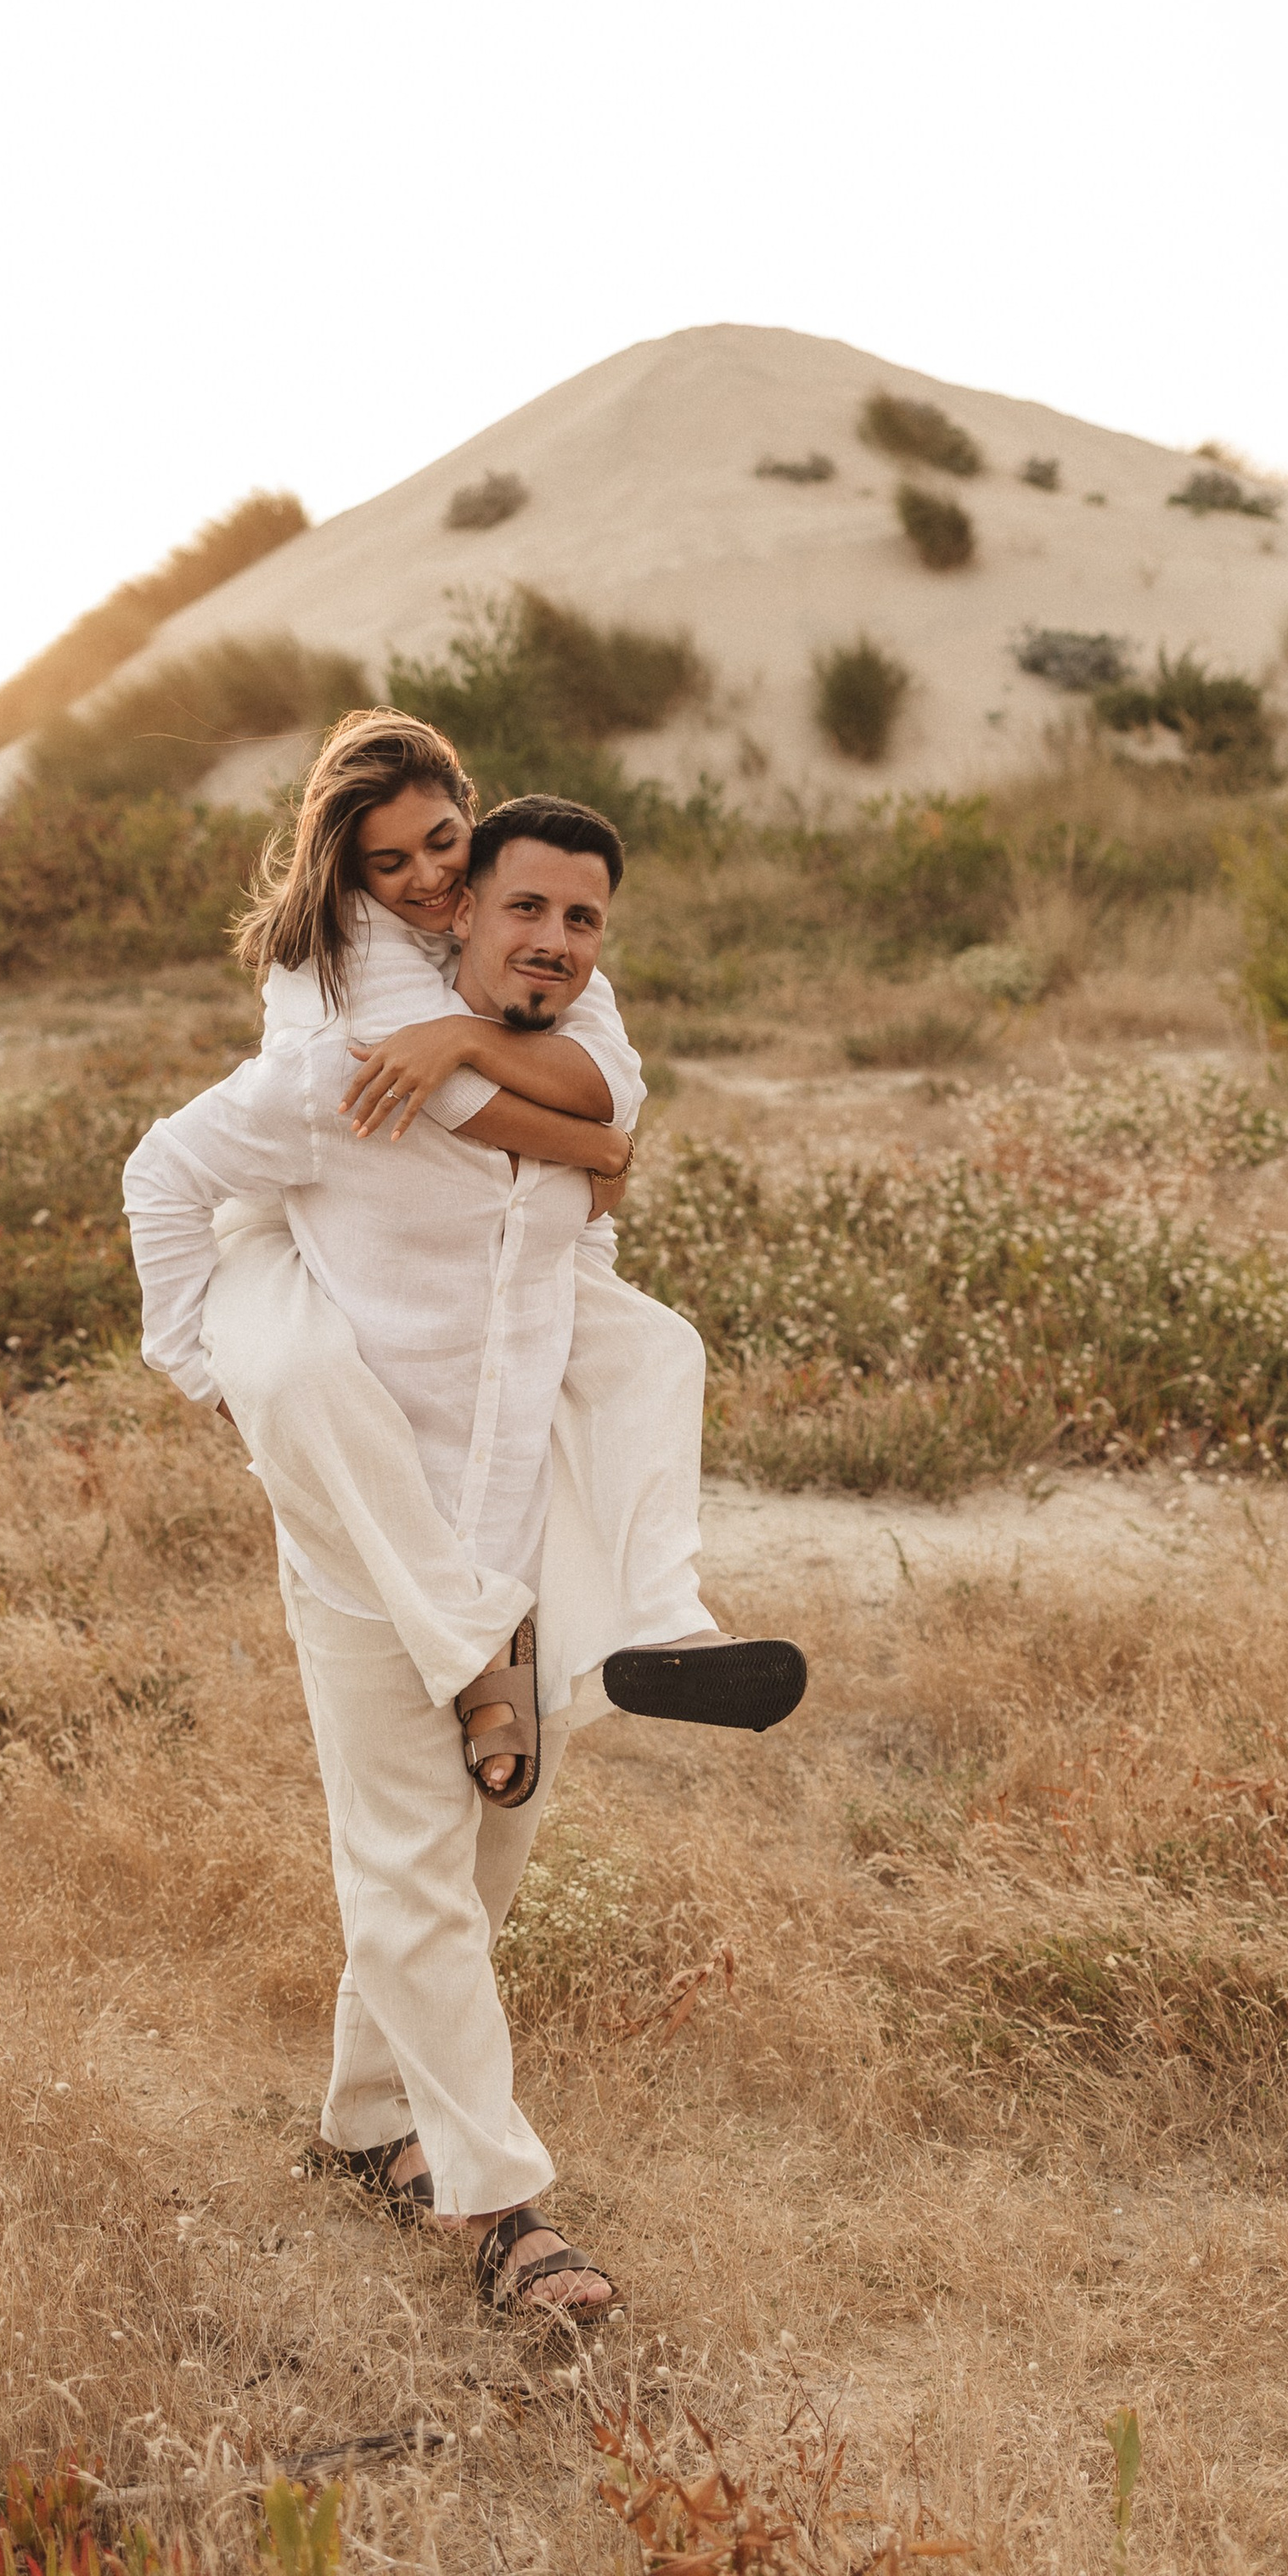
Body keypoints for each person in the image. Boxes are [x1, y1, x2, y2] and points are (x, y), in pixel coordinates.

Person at [122, 723, 802, 2320]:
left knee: (485, 1865)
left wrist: (502, 1076)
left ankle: (369, 2125)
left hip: (519, 1518)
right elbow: (163, 1164)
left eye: (577, 919)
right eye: (505, 906)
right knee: (410, 1868)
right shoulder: (331, 1066)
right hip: (372, 1530)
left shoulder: (559, 1018)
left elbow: (610, 1123)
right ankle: (504, 2210)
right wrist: (194, 1359)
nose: (537, 931)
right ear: (431, 909)